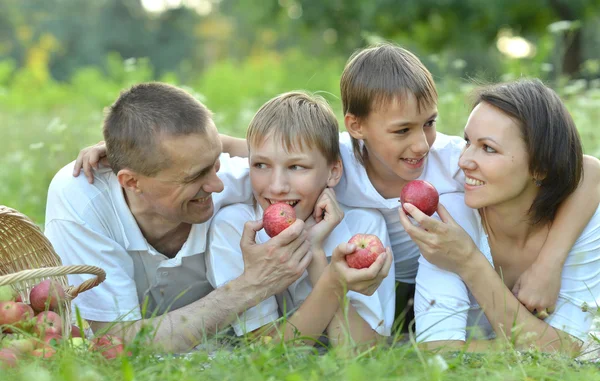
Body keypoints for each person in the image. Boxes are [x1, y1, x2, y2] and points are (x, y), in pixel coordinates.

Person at [72, 43, 600, 334]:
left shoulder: (452, 160)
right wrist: (124, 155)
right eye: (400, 131)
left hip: (436, 289)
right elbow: (273, 154)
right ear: (354, 128)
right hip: (381, 292)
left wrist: (547, 265)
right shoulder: (332, 165)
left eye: (430, 123)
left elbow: (588, 169)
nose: (420, 143)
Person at [45, 82, 320, 353]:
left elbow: (328, 152)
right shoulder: (82, 202)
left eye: (215, 163)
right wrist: (250, 286)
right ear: (132, 182)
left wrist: (327, 190)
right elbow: (118, 343)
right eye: (195, 176)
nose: (217, 185)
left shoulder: (249, 180)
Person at [399, 79, 600, 354]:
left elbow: (569, 350)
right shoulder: (452, 217)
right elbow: (437, 348)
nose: (464, 161)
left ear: (540, 166)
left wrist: (470, 263)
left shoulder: (584, 223)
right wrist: (537, 344)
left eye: (489, 148)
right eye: (468, 141)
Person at [206, 91, 395, 347]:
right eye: (261, 165)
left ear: (333, 172)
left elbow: (360, 353)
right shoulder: (235, 227)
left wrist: (316, 257)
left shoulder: (363, 227)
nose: (277, 186)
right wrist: (332, 283)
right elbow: (268, 354)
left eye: (296, 167)